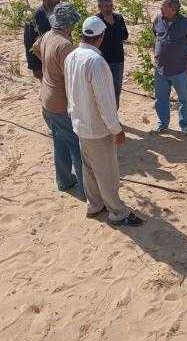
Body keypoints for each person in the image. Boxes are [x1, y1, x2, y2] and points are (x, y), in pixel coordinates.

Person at [64, 16, 143, 226]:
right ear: (101, 37)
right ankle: (117, 212)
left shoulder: (71, 56)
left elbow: (69, 91)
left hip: (80, 124)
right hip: (97, 128)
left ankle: (95, 204)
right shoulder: (96, 62)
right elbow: (105, 102)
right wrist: (116, 129)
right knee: (107, 171)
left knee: (88, 167)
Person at [32, 1, 84, 197]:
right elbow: (72, 76)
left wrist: (49, 66)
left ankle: (64, 181)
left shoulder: (47, 35)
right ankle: (87, 190)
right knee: (76, 147)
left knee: (59, 143)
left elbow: (35, 48)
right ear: (69, 24)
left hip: (46, 99)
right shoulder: (65, 46)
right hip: (61, 103)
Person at [152, 0, 187, 134]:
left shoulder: (186, 23)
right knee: (161, 98)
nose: (160, 8)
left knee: (183, 98)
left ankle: (184, 125)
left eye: (163, 6)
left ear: (173, 9)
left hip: (179, 69)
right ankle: (163, 123)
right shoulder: (158, 19)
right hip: (161, 69)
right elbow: (155, 35)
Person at [96, 0, 129, 108]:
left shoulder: (118, 18)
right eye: (106, 6)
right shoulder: (96, 20)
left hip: (118, 60)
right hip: (101, 61)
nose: (109, 9)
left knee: (116, 90)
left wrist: (113, 24)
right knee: (102, 91)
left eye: (110, 5)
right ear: (99, 6)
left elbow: (124, 35)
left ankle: (114, 117)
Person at [24, 0, 60, 80]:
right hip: (42, 63)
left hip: (59, 62)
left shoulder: (59, 13)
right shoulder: (34, 18)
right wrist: (35, 67)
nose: (58, 0)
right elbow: (29, 43)